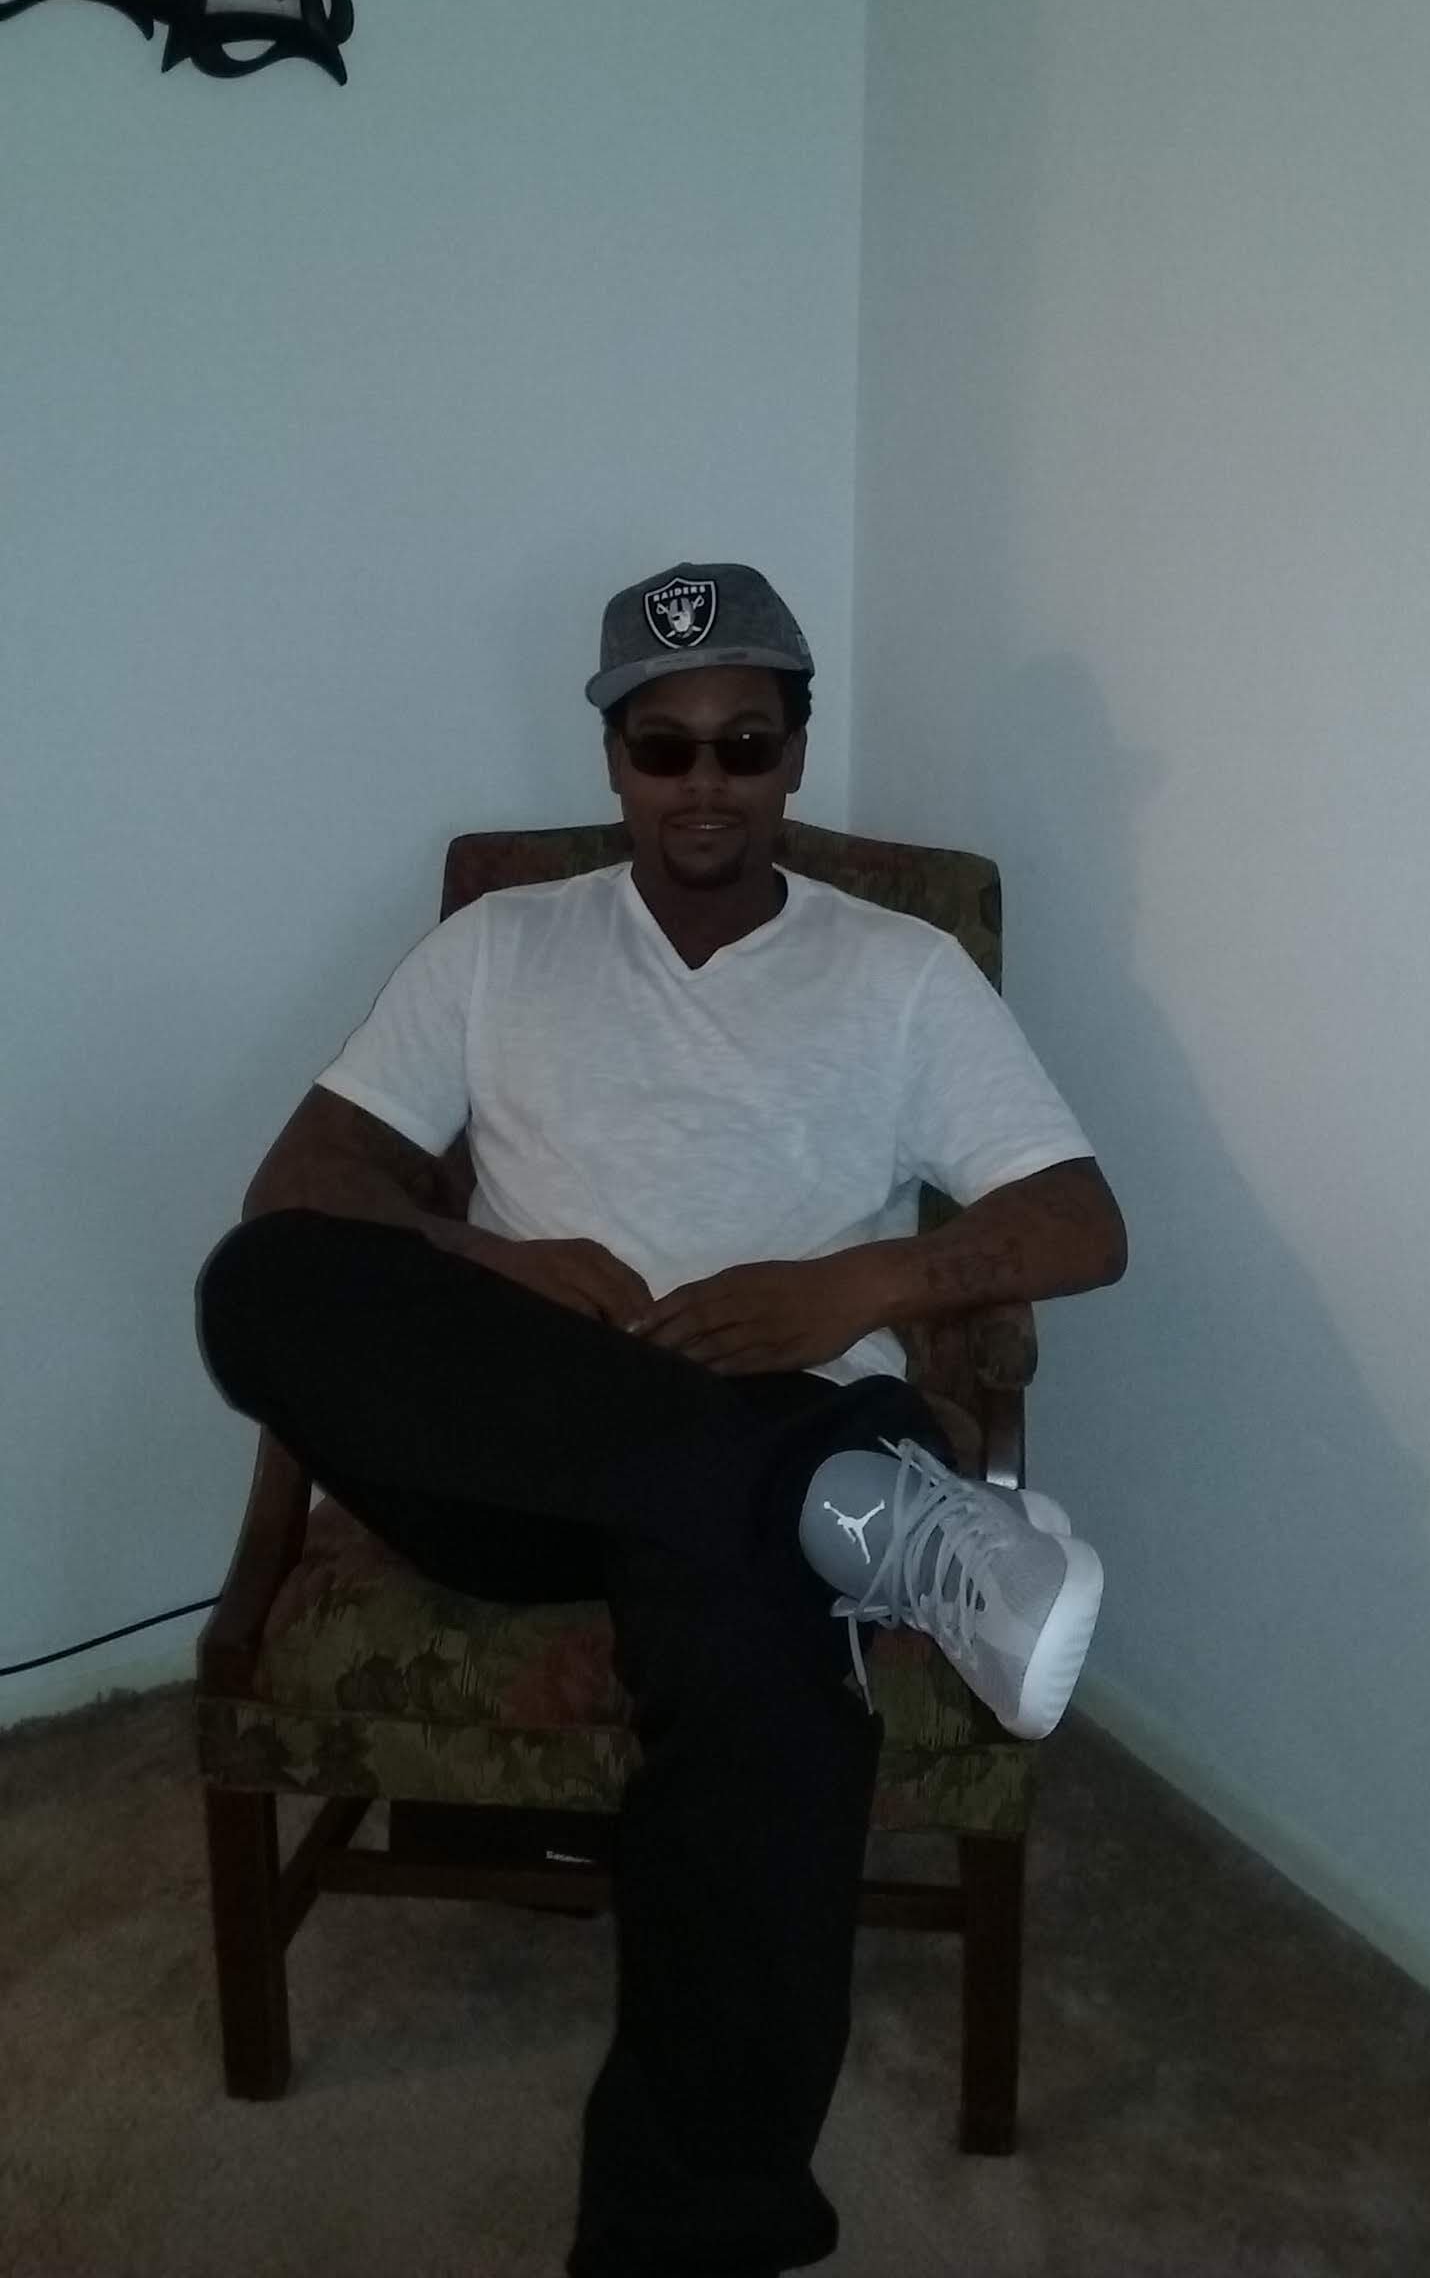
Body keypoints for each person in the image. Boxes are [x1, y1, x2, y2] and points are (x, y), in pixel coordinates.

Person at [194, 562, 1127, 2278]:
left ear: (796, 753)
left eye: (744, 745)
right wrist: (496, 1260)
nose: (705, 785)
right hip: (526, 1442)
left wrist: (855, 1288)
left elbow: (1082, 1222)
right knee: (260, 1284)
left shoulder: (902, 968)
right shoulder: (502, 942)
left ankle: (682, 2239)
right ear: (614, 757)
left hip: (794, 1393)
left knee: (762, 1659)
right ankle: (866, 1521)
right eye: (664, 746)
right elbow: (305, 1178)